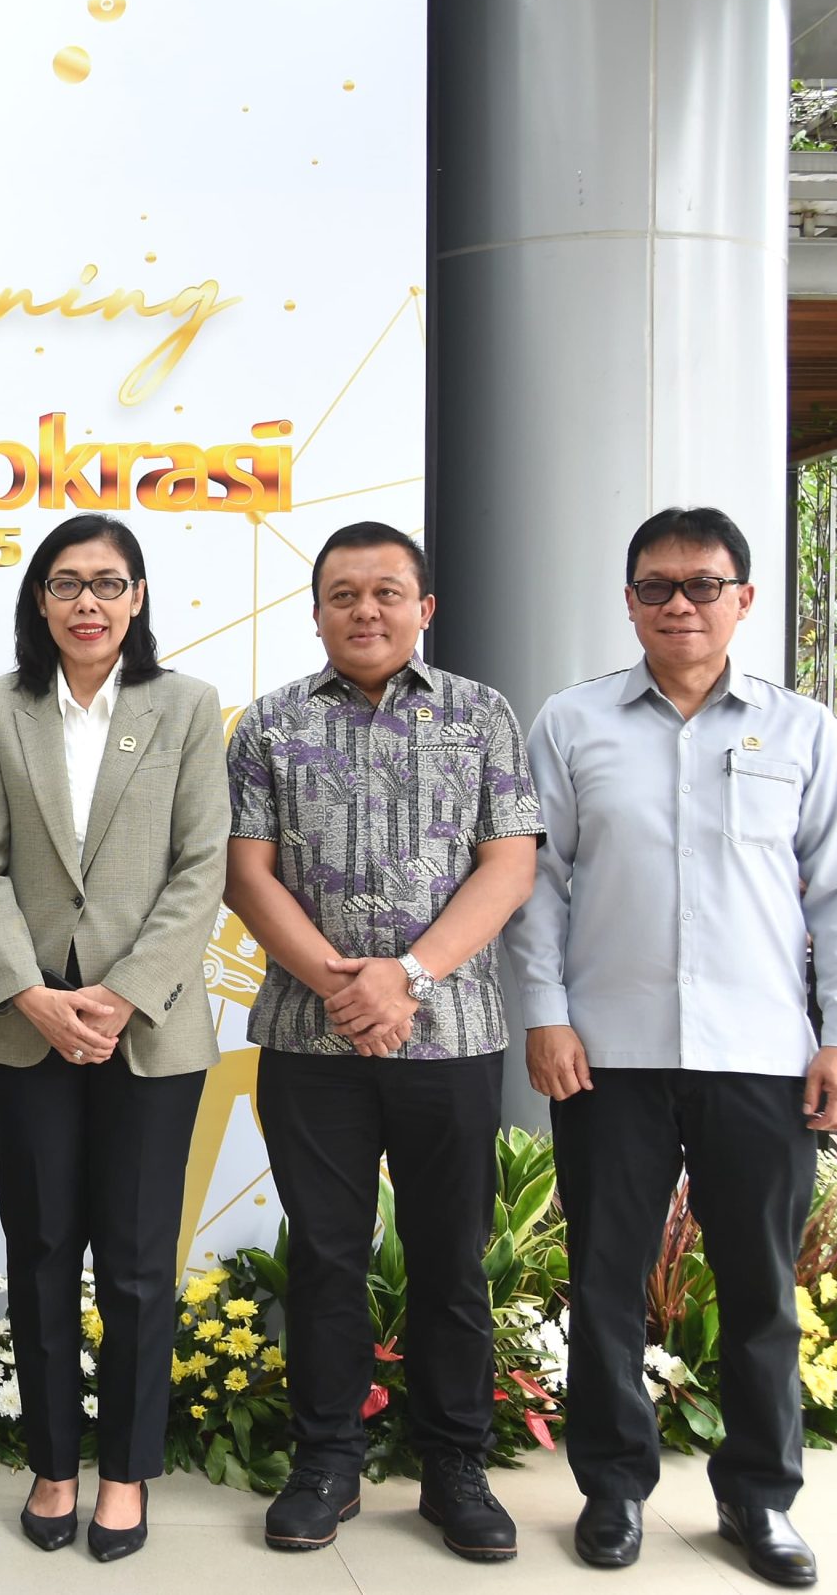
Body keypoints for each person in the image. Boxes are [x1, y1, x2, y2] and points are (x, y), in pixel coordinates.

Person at [503, 506, 837, 1589]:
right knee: (606, 1277)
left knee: (760, 1288)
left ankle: (758, 1501)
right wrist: (545, 1009)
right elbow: (538, 879)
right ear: (628, 601)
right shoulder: (571, 724)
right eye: (658, 586)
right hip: (605, 1052)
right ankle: (613, 1488)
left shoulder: (802, 729)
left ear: (743, 599)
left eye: (703, 585)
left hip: (760, 1052)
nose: (680, 603)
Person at [223, 521, 540, 1563]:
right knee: (324, 1254)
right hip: (309, 1041)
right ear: (315, 611)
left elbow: (507, 865)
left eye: (387, 592)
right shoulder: (267, 725)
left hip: (448, 1033)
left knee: (451, 1257)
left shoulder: (481, 715)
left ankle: (453, 1461)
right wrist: (338, 983)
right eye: (344, 594)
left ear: (423, 608)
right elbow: (247, 871)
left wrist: (407, 976)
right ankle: (326, 1458)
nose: (367, 610)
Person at [0, 515, 231, 1561]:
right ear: (38, 598)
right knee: (39, 1251)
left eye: (107, 583)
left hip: (146, 1027)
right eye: (65, 582)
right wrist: (30, 992)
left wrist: (119, 992)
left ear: (138, 597)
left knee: (136, 1262)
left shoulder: (185, 706)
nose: (86, 602)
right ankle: (53, 1463)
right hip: (24, 1028)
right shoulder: (0, 705)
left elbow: (200, 864)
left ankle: (124, 1473)